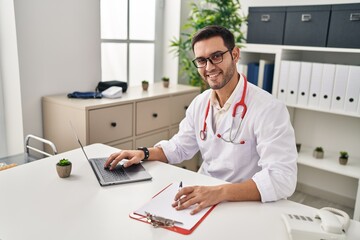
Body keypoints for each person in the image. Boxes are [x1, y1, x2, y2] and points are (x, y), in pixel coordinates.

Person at [105, 25, 297, 215]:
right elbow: (179, 147)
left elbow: (282, 178)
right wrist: (143, 153)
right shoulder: (200, 103)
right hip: (204, 195)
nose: (209, 67)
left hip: (244, 202)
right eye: (201, 60)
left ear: (235, 55)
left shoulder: (269, 108)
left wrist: (219, 192)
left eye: (216, 56)